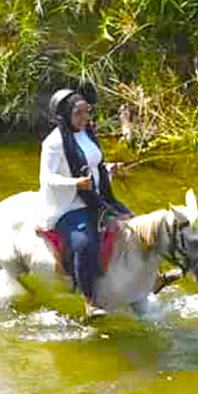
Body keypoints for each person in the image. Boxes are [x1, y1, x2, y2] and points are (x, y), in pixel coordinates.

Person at [39, 88, 132, 318]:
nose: (85, 118)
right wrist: (75, 183)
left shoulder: (87, 133)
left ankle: (147, 279)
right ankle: (90, 300)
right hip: (68, 204)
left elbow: (93, 165)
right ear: (65, 115)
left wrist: (109, 168)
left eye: (87, 112)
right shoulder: (53, 142)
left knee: (134, 225)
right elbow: (47, 178)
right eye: (78, 114)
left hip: (95, 197)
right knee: (83, 242)